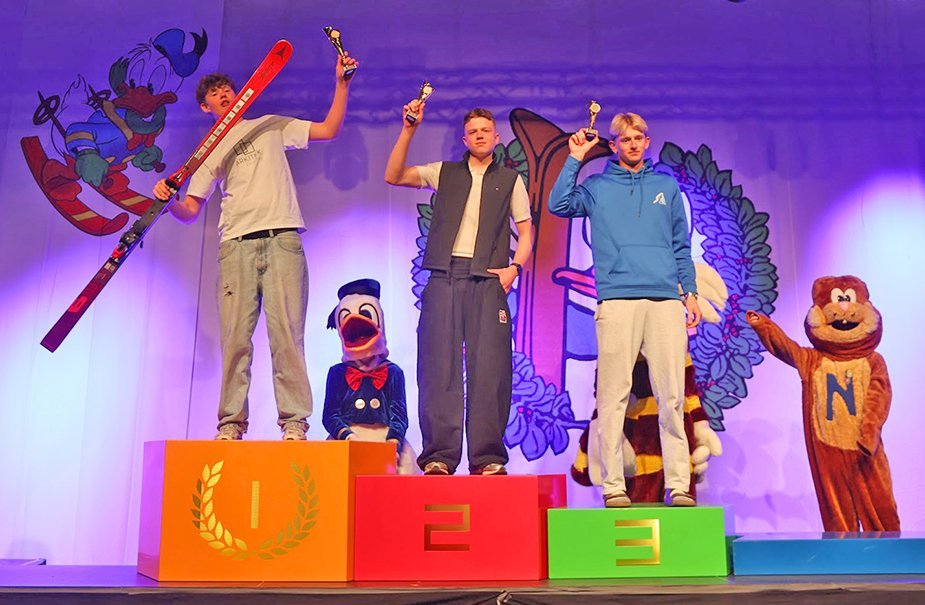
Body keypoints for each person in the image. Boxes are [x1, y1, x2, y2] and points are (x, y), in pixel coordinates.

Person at [153, 52, 359, 441]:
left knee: (288, 337)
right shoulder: (207, 151)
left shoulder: (269, 125)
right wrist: (169, 201)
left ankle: (294, 422)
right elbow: (190, 210)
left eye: (228, 89)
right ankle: (231, 425)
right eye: (215, 93)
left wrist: (342, 83)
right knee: (235, 340)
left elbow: (329, 130)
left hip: (282, 239)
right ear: (206, 107)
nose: (224, 94)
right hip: (236, 246)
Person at [548, 112, 702, 506]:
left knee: (671, 397)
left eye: (638, 138)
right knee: (613, 397)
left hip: (665, 300)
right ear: (613, 145)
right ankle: (614, 485)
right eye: (624, 139)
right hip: (617, 300)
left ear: (647, 141)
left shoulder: (665, 186)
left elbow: (680, 246)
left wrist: (690, 293)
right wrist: (575, 157)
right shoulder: (598, 187)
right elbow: (558, 204)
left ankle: (679, 484)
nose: (632, 144)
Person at [384, 100, 533, 475]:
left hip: (488, 279)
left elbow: (526, 230)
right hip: (444, 277)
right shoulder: (445, 172)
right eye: (473, 132)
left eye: (486, 130)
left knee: (491, 369)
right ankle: (439, 455)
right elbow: (394, 175)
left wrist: (514, 268)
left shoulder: (510, 180)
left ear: (496, 138)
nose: (479, 136)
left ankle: (488, 458)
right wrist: (408, 130)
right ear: (465, 139)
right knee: (439, 367)